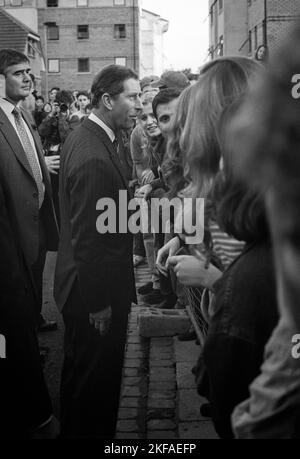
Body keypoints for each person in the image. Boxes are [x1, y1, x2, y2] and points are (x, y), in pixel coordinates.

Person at [54, 64, 141, 438]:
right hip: (92, 290)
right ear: (108, 99)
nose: (140, 105)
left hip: (83, 283)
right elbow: (90, 240)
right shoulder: (93, 153)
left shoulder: (91, 135)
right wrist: (99, 304)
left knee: (79, 377)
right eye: (133, 97)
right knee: (97, 387)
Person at [0, 48, 59, 437]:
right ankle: (31, 413)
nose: (28, 78)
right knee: (11, 327)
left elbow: (32, 172)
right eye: (18, 73)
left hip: (34, 237)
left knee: (25, 317)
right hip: (10, 246)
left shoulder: (25, 118)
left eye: (29, 73)